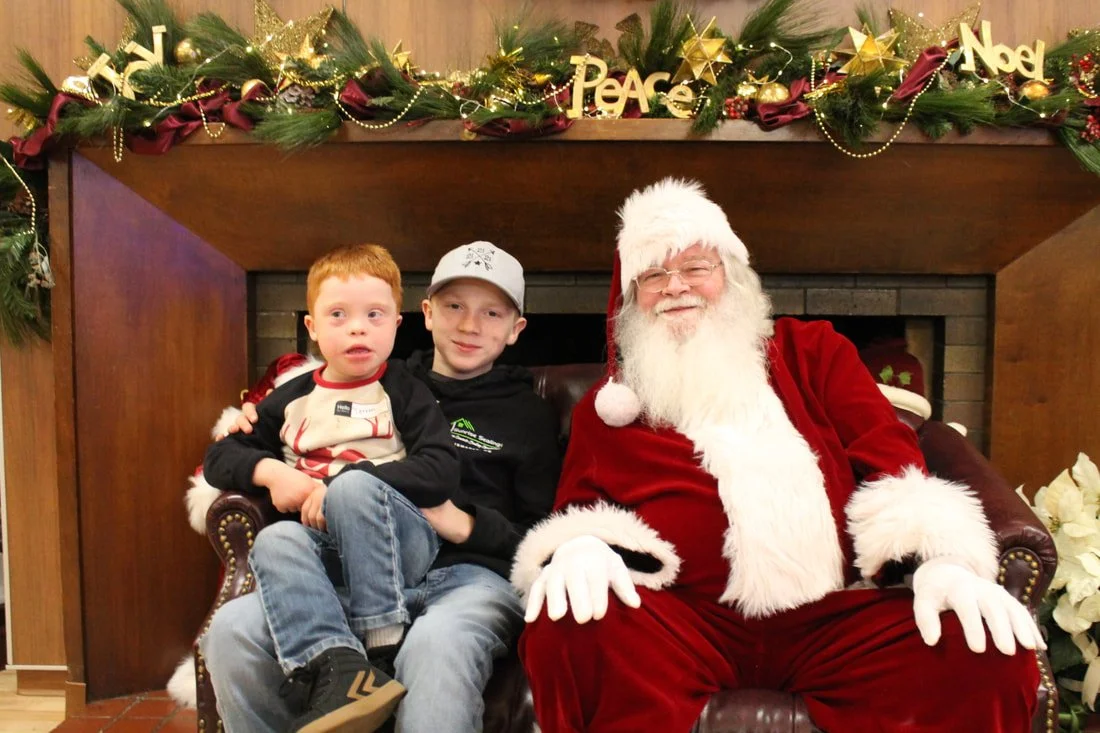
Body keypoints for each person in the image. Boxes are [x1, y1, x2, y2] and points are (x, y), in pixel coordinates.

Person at [511, 178, 1045, 733]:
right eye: (653, 274)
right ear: (631, 300)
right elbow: (580, 506)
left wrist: (941, 560)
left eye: (696, 266)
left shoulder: (815, 353)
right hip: (682, 624)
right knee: (569, 620)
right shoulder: (611, 406)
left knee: (982, 649)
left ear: (731, 277)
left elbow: (891, 455)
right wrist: (581, 550)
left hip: (832, 620)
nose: (675, 287)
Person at [201, 241, 562, 733]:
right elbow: (287, 424)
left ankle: (381, 660)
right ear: (425, 314)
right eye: (454, 306)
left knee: (437, 642)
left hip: (469, 579)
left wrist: (467, 526)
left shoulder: (531, 415)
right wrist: (255, 446)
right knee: (232, 630)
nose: (470, 325)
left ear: (515, 329)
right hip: (354, 570)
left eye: (491, 312)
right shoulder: (375, 376)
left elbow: (544, 541)